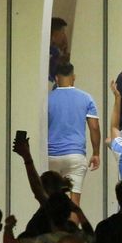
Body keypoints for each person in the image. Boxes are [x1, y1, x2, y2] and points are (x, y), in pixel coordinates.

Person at [47, 62, 101, 203]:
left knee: (51, 202)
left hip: (51, 155)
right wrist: (96, 153)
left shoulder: (47, 100)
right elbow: (94, 127)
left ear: (56, 79)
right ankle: (72, 225)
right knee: (74, 203)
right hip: (75, 156)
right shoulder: (86, 98)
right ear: (74, 77)